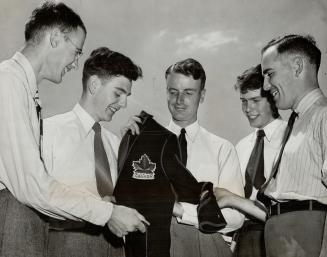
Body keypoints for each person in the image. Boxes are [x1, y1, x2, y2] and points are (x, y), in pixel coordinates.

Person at [0, 3, 147, 257]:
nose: (76, 62)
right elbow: (32, 186)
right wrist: (107, 213)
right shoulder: (8, 81)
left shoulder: (24, 89)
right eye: (76, 51)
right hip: (15, 218)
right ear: (56, 38)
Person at [124, 58, 245, 257]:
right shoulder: (145, 140)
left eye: (188, 93)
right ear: (166, 92)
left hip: (204, 244)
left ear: (202, 95)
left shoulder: (222, 149)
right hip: (151, 243)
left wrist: (181, 211)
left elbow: (235, 217)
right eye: (173, 92)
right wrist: (128, 145)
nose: (180, 100)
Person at [42, 47, 143, 257]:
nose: (123, 104)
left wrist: (130, 151)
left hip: (115, 247)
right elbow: (42, 194)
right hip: (67, 244)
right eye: (118, 93)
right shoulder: (49, 131)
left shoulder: (114, 142)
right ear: (94, 84)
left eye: (127, 96)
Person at [261, 34, 327, 257]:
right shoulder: (297, 121)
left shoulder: (323, 116)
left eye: (270, 74)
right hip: (283, 239)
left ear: (297, 66)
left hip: (305, 239)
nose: (265, 86)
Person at [234, 64, 286, 257]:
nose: (248, 109)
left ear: (272, 97)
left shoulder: (291, 138)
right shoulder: (241, 146)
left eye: (255, 100)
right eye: (243, 101)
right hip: (244, 239)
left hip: (279, 236)